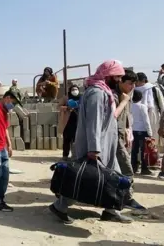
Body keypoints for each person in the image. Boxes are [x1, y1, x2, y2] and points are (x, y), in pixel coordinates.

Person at [49, 59, 133, 224]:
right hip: (95, 146)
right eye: (116, 76)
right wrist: (94, 149)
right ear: (107, 75)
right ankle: (60, 206)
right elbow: (93, 122)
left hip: (106, 145)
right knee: (84, 179)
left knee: (113, 178)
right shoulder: (96, 93)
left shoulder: (104, 91)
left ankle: (111, 211)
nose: (118, 80)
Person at [112, 69, 144, 210]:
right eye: (130, 83)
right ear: (121, 81)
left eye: (134, 84)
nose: (132, 87)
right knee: (126, 168)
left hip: (120, 134)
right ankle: (127, 198)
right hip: (111, 136)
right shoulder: (113, 95)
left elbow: (126, 115)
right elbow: (114, 115)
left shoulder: (127, 95)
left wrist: (127, 129)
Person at [135, 72, 164, 145]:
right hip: (139, 115)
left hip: (152, 114)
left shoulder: (154, 89)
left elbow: (162, 104)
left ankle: (152, 153)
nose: (136, 83)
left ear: (143, 80)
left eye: (137, 81)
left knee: (152, 136)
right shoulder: (133, 89)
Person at [130, 90, 153, 175]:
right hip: (142, 131)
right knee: (144, 150)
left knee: (134, 150)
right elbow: (146, 120)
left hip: (133, 130)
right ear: (141, 97)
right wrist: (150, 132)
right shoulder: (142, 106)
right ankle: (144, 168)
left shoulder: (130, 106)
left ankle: (133, 167)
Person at [57, 85, 81, 160]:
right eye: (73, 89)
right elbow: (58, 106)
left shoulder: (82, 97)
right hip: (67, 122)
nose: (75, 91)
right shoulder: (66, 98)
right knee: (67, 139)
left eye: (76, 89)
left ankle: (75, 155)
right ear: (70, 91)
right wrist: (67, 108)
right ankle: (65, 155)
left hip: (78, 122)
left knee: (76, 140)